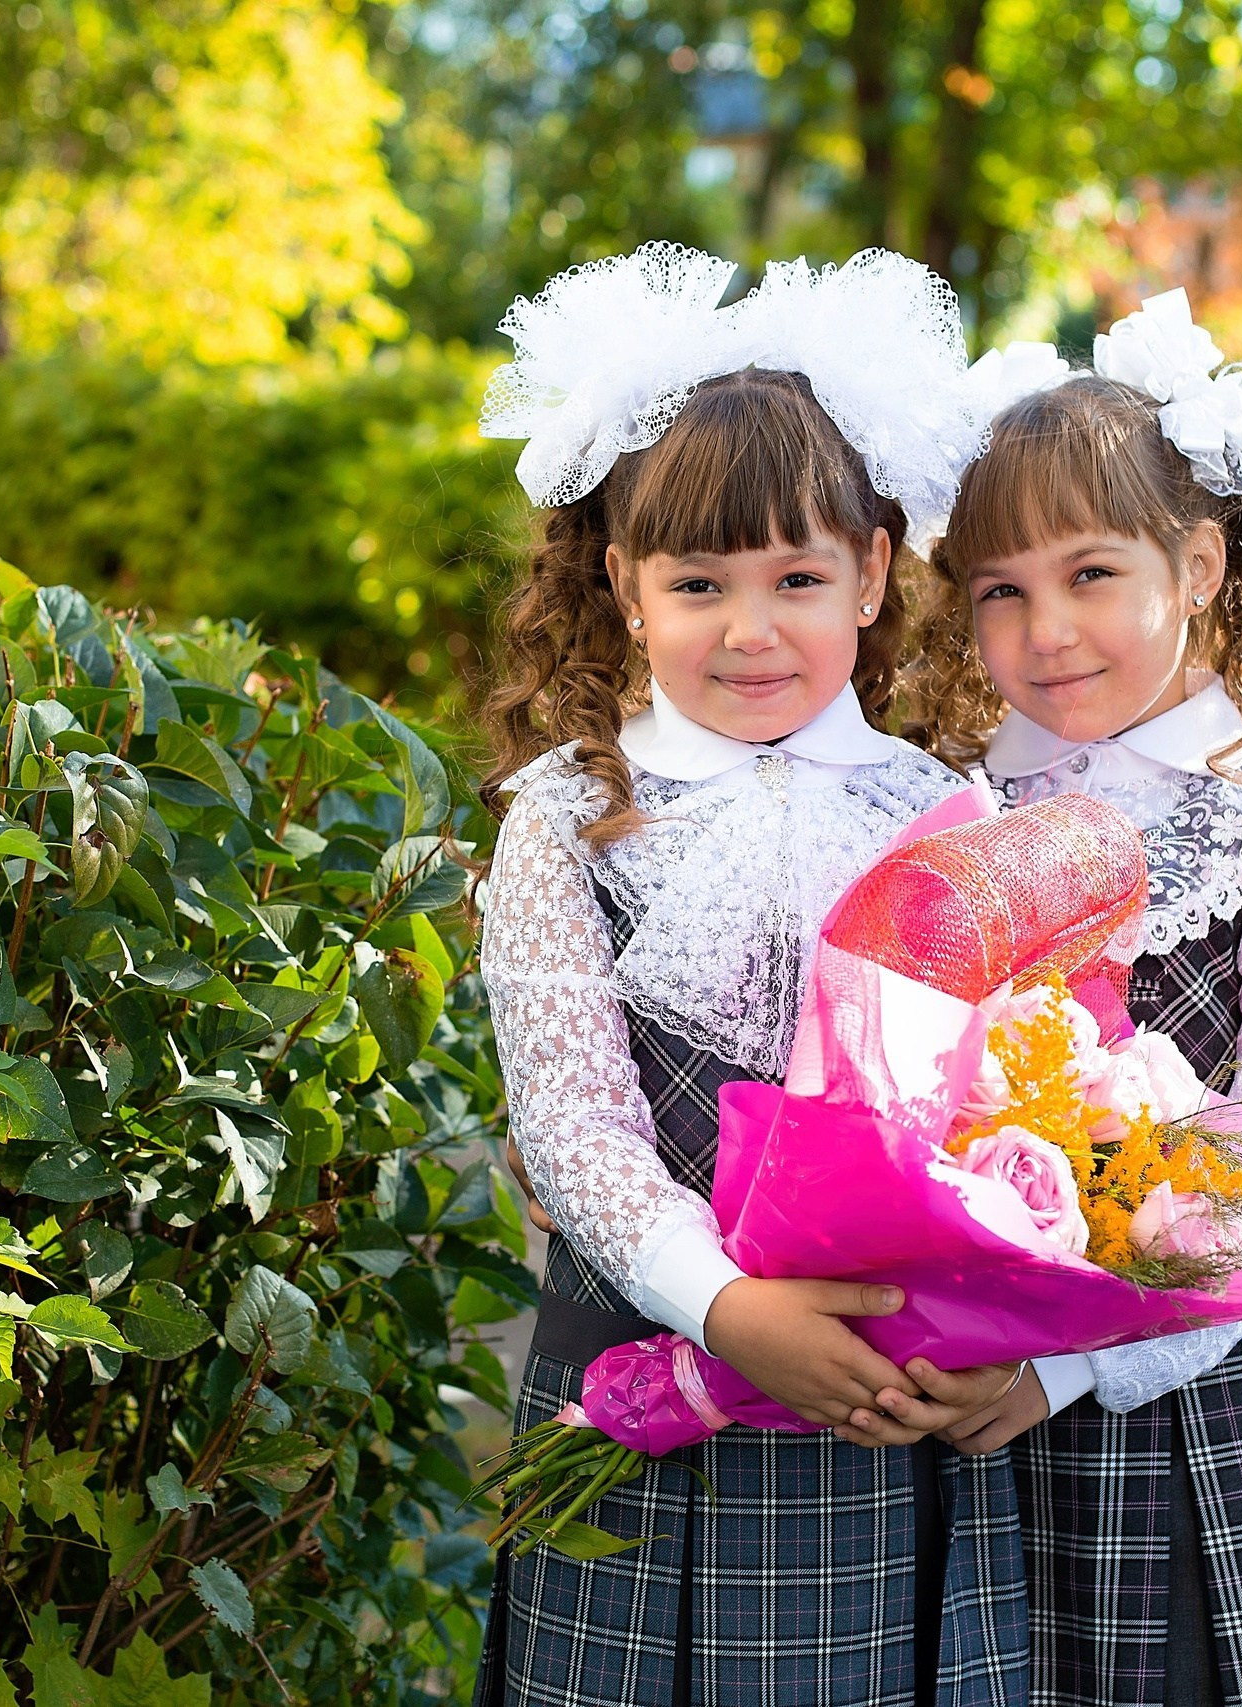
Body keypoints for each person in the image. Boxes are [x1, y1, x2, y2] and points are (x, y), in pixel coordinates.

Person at [472, 244, 1031, 1707]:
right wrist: (726, 1310)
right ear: (621, 582)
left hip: (891, 1409)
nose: (749, 626)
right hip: (651, 1382)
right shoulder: (565, 821)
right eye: (698, 580)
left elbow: (1016, 1102)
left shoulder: (949, 817)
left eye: (798, 576)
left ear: (875, 574)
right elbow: (575, 1134)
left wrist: (1001, 1326)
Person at [896, 291, 1242, 1707]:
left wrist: (1065, 1373)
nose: (1047, 629)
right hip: (961, 1391)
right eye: (1001, 589)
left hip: (1175, 1387)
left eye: (1090, 574)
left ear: (1193, 565)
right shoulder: (955, 807)